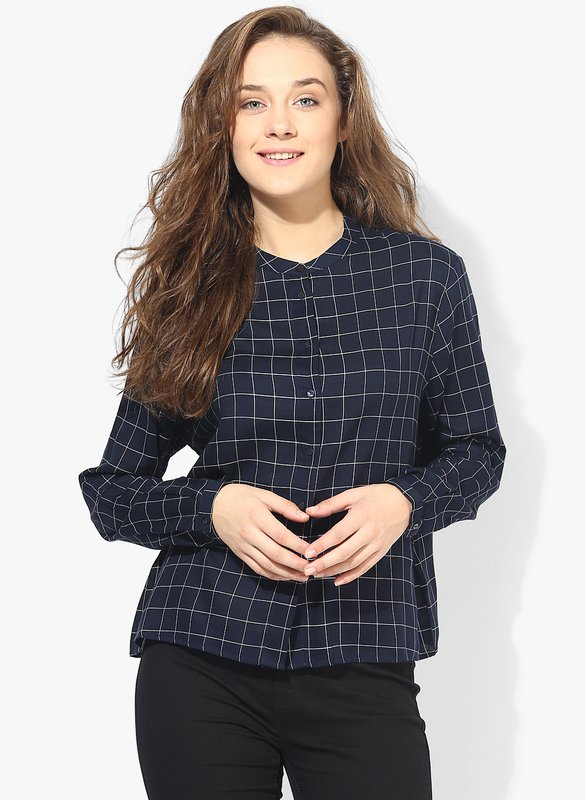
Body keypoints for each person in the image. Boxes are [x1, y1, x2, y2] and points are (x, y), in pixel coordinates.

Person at [78, 6, 506, 799]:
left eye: (305, 98)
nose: (279, 123)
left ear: (342, 119)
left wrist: (403, 503)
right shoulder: (188, 291)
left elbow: (477, 452)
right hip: (201, 651)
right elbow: (112, 492)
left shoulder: (425, 278)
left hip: (364, 649)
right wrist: (214, 509)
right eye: (251, 102)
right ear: (224, 126)